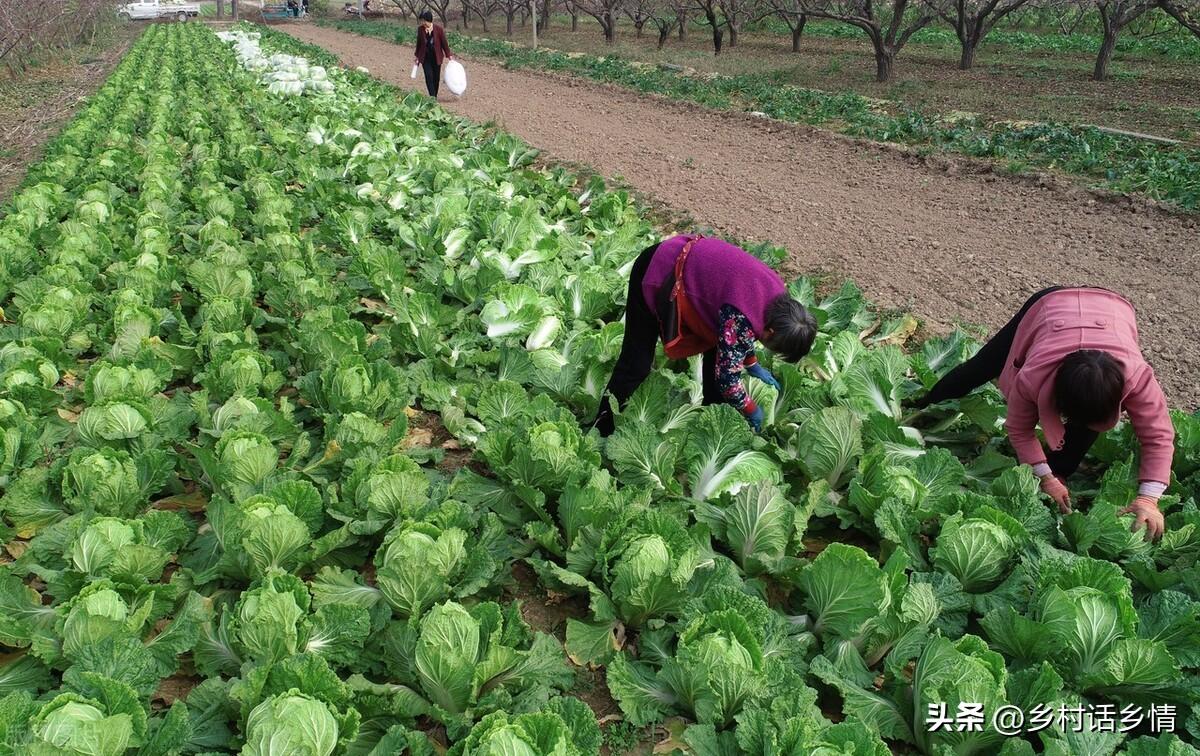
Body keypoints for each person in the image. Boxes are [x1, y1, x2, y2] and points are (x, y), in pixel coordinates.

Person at [911, 287, 1174, 541]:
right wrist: (1042, 476)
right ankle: (926, 405)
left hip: (1112, 310)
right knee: (983, 366)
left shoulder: (1139, 380)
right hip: (1051, 306)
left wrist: (1148, 499)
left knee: (1089, 415)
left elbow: (1158, 437)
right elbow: (1019, 428)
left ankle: (1060, 472)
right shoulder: (1033, 375)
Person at [589, 234, 818, 438]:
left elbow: (742, 334)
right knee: (636, 364)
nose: (765, 345)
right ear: (770, 331)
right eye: (770, 344)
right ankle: (602, 426)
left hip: (696, 276)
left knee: (718, 363)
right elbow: (728, 380)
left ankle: (709, 431)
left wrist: (752, 364)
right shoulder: (741, 317)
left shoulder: (781, 303)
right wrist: (751, 409)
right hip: (659, 271)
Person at [413, 10, 453, 99]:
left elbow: (444, 43)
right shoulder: (420, 30)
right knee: (428, 76)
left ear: (429, 20)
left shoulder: (438, 29)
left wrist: (448, 54)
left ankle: (435, 95)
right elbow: (419, 44)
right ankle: (432, 97)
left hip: (436, 57)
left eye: (423, 20)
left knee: (436, 78)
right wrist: (417, 57)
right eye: (421, 20)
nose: (422, 22)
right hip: (425, 57)